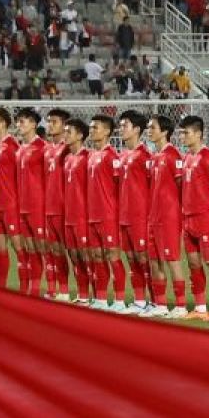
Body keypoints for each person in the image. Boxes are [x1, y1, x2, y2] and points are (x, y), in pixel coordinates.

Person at [178, 115, 209, 321]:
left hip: (205, 217)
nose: (182, 136)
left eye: (186, 133)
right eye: (181, 133)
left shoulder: (208, 158)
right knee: (194, 265)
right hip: (188, 219)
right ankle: (199, 307)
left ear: (198, 134)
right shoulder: (186, 158)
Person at [141, 115, 188, 318]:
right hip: (153, 217)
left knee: (172, 260)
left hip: (169, 217)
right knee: (154, 261)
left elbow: (181, 186)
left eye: (153, 127)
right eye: (148, 127)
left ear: (164, 131)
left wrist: (175, 211)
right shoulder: (154, 157)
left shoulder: (173, 155)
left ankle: (181, 305)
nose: (149, 130)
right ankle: (160, 304)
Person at [85, 114, 126, 310]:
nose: (92, 130)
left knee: (113, 256)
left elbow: (119, 187)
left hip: (109, 215)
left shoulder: (112, 156)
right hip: (92, 215)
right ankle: (101, 299)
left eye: (96, 127)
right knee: (97, 257)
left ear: (108, 131)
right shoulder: (91, 156)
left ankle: (118, 300)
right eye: (91, 127)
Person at [116, 110, 154, 314]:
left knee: (144, 259)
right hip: (124, 216)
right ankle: (140, 300)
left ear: (137, 130)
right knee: (131, 259)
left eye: (125, 125)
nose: (121, 129)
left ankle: (154, 301)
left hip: (141, 216)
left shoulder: (145, 155)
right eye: (120, 125)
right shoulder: (122, 156)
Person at [0, 107, 22, 290]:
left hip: (11, 206)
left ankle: (27, 289)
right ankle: (1, 289)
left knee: (20, 250)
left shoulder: (12, 146)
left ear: (3, 123)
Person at [15, 108, 47, 297]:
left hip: (38, 206)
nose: (20, 125)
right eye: (18, 121)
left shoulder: (42, 148)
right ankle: (30, 289)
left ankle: (46, 289)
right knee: (28, 248)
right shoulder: (20, 149)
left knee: (42, 248)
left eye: (24, 121)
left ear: (34, 124)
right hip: (23, 207)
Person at [61, 118, 91, 304]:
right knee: (73, 256)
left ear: (80, 135)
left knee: (87, 256)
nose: (65, 135)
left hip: (83, 216)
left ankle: (97, 296)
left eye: (69, 132)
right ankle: (83, 294)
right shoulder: (67, 158)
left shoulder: (87, 157)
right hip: (69, 215)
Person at [42, 108, 71, 300]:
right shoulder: (46, 149)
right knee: (50, 249)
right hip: (47, 207)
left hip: (63, 207)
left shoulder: (68, 148)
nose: (50, 125)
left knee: (67, 250)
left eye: (54, 121)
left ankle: (66, 290)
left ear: (64, 125)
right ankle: (53, 289)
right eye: (49, 121)